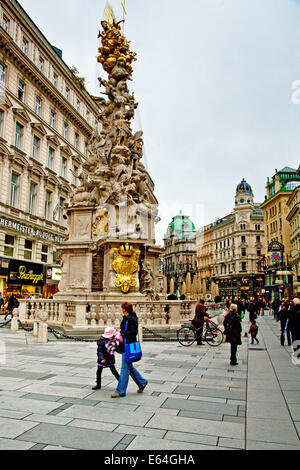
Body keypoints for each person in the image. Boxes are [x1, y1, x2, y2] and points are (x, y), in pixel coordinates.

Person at [111, 303, 148, 398]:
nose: (121, 309)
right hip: (125, 345)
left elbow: (133, 332)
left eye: (122, 307)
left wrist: (122, 332)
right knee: (129, 367)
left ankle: (120, 391)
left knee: (124, 369)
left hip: (128, 346)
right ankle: (142, 382)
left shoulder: (131, 319)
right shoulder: (126, 318)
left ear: (124, 309)